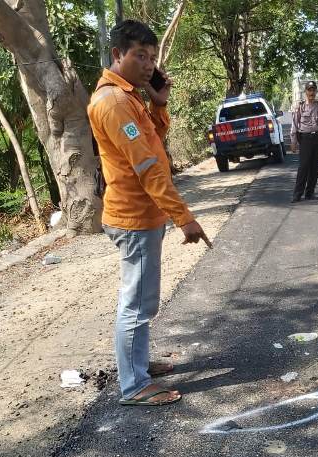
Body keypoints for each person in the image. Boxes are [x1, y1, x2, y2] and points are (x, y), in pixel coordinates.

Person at [88, 19, 211, 406]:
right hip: (134, 216)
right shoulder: (113, 102)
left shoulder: (130, 97)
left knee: (142, 300)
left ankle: (136, 365)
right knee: (138, 303)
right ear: (117, 55)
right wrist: (183, 217)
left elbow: (154, 142)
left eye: (152, 57)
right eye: (140, 55)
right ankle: (134, 385)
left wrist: (159, 103)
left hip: (142, 214)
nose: (148, 64)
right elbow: (147, 167)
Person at [290, 80, 318, 203]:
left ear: (316, 91)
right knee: (304, 167)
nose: (311, 92)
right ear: (305, 92)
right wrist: (293, 141)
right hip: (305, 139)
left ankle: (310, 192)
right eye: (309, 90)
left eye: (313, 90)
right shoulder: (300, 106)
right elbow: (294, 124)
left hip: (317, 138)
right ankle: (297, 194)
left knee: (315, 167)